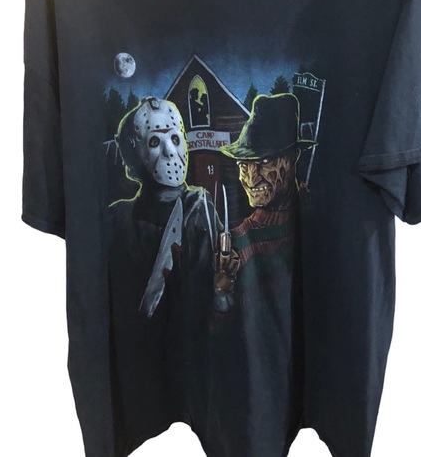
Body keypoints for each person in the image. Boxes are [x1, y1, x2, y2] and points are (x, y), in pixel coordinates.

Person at [107, 96, 238, 438]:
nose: (169, 152)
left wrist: (223, 288)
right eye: (154, 142)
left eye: (175, 139)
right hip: (139, 376)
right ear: (133, 157)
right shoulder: (116, 219)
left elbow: (219, 299)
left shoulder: (200, 209)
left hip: (195, 370)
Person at [216, 93, 315, 456]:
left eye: (265, 161)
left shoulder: (317, 212)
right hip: (253, 403)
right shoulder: (240, 241)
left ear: (293, 158)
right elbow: (217, 338)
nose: (251, 176)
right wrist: (221, 292)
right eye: (245, 164)